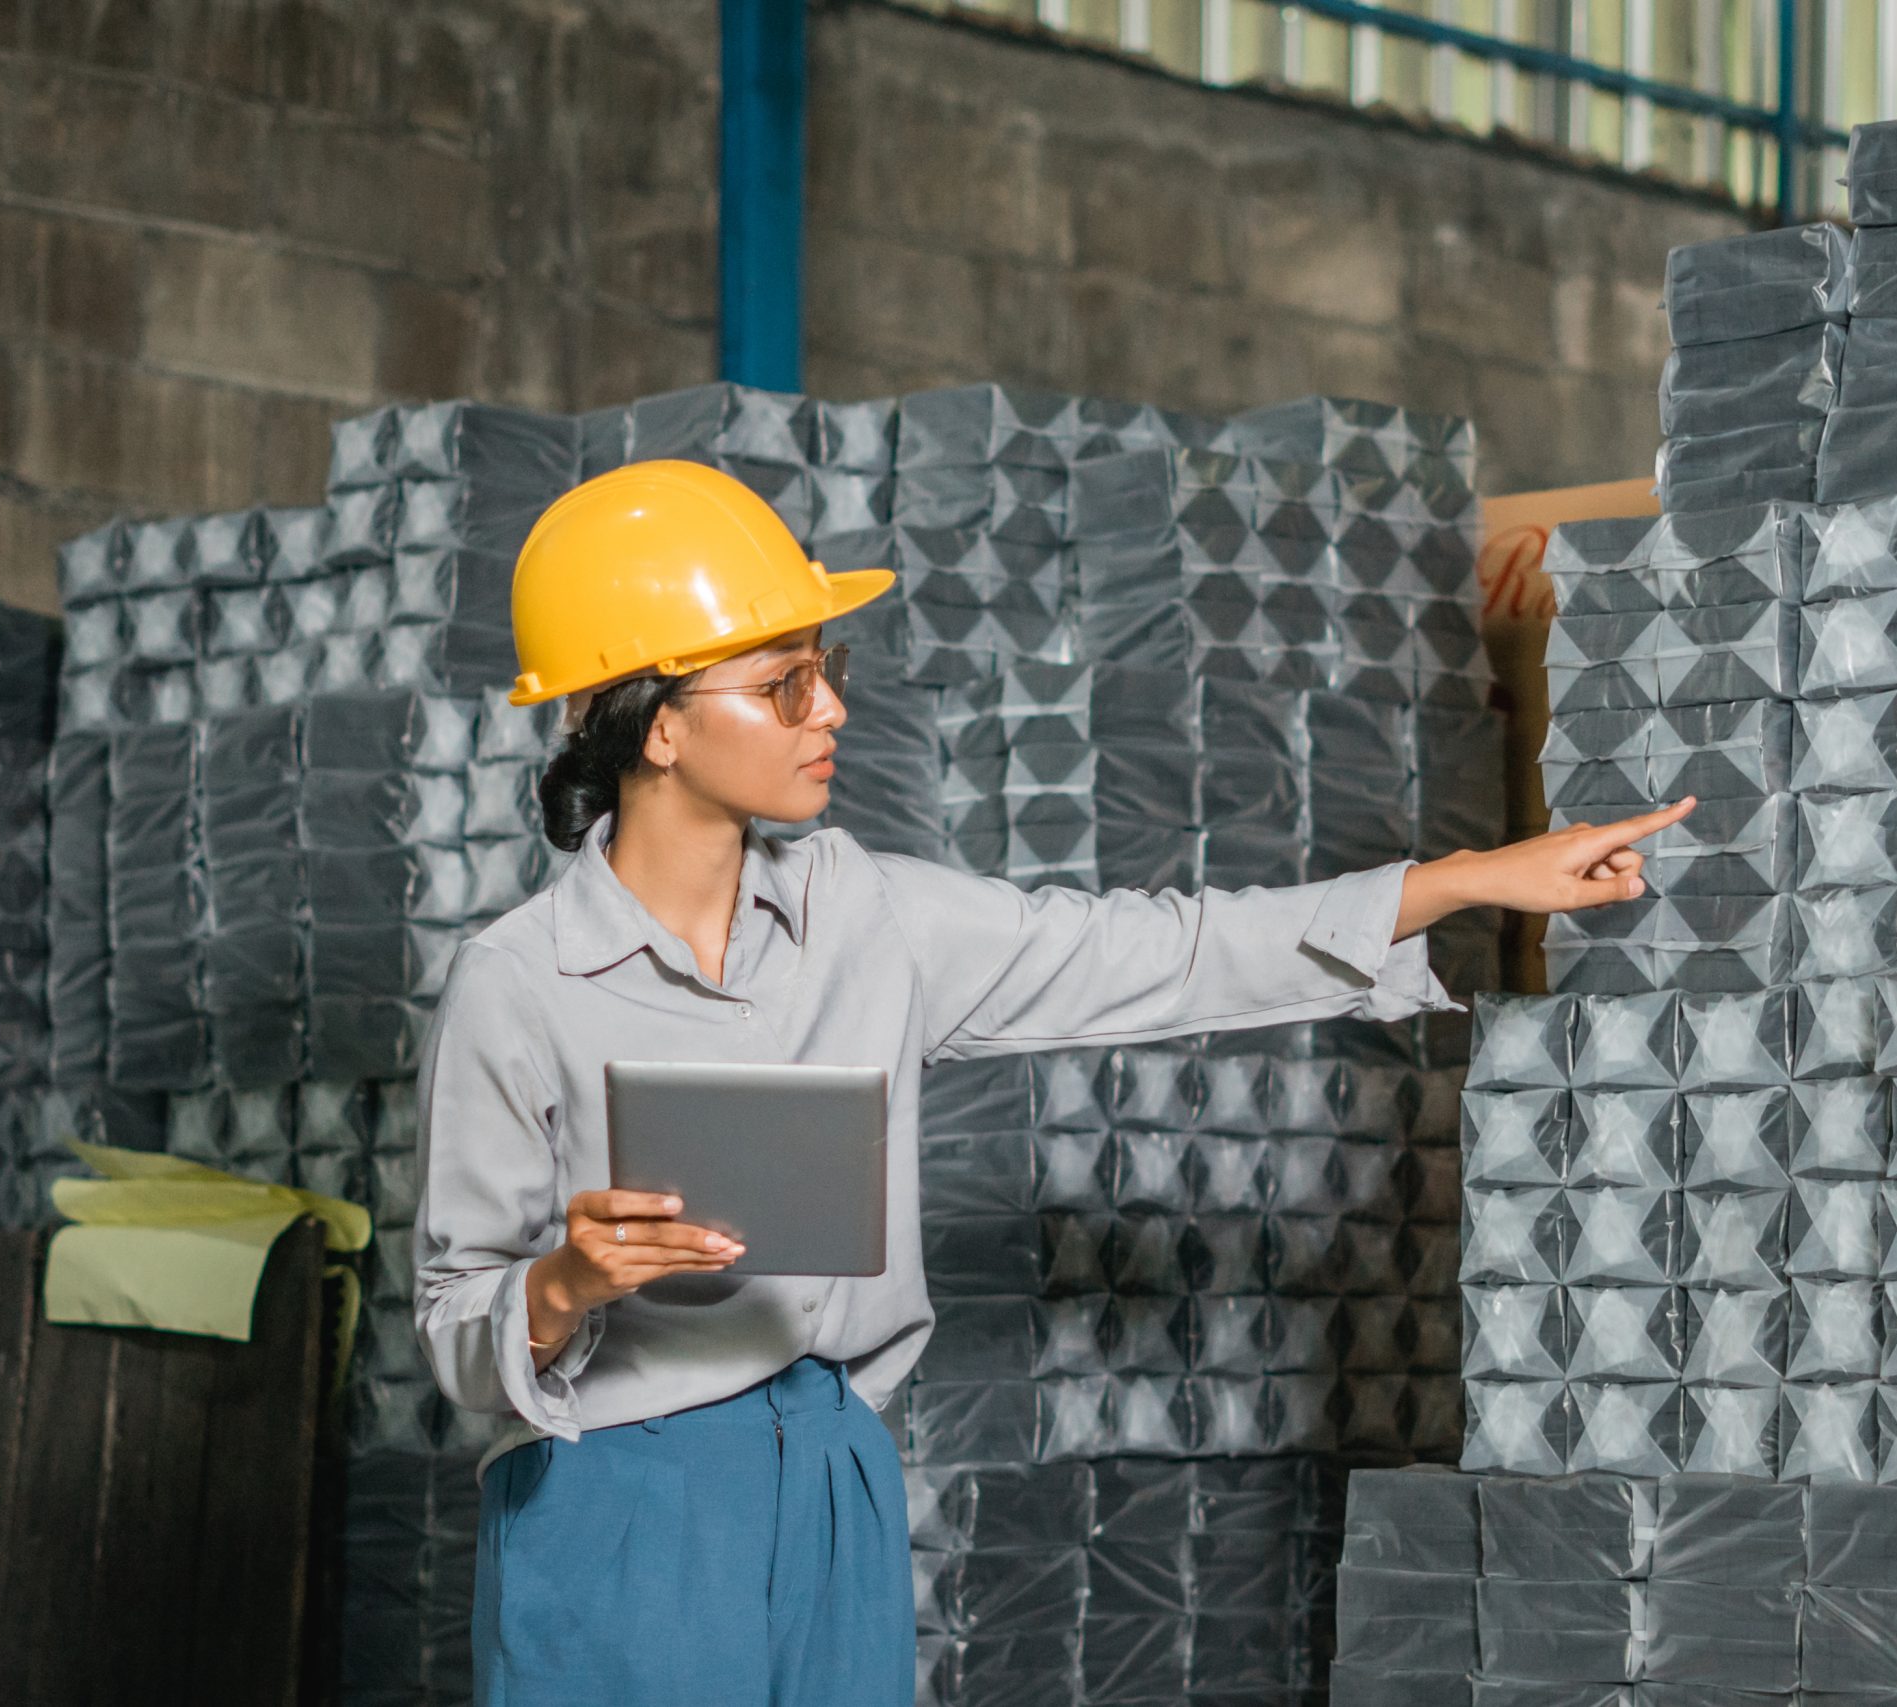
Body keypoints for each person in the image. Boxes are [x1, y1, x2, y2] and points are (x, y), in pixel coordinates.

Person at [413, 459, 1692, 1707]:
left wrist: (1466, 880)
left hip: (833, 1473)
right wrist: (561, 1285)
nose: (831, 710)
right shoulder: (519, 983)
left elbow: (1159, 952)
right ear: (660, 723)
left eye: (828, 669)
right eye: (786, 683)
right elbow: (454, 1324)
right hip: (617, 1494)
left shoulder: (869, 916)